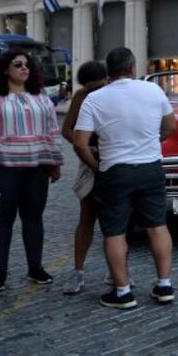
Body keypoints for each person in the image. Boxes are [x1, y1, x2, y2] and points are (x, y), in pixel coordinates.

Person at [73, 47, 177, 310]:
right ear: (132, 68)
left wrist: (96, 165)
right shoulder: (153, 90)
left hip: (115, 171)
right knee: (157, 225)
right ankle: (164, 284)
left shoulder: (95, 99)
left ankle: (122, 292)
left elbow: (80, 142)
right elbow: (170, 126)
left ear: (109, 71)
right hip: (151, 167)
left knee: (114, 231)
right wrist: (154, 140)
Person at [0, 48, 64, 292]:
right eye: (17, 64)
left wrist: (55, 162)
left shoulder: (40, 96)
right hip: (3, 169)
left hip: (37, 169)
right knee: (3, 222)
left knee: (33, 219)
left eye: (27, 64)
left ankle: (35, 268)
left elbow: (53, 131)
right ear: (5, 69)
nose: (24, 68)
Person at [60, 61, 108, 295]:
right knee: (87, 217)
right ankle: (78, 271)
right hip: (92, 160)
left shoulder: (112, 92)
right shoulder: (81, 96)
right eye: (89, 89)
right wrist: (85, 148)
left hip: (114, 157)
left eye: (96, 88)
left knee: (116, 220)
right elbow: (66, 130)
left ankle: (116, 271)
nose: (93, 93)